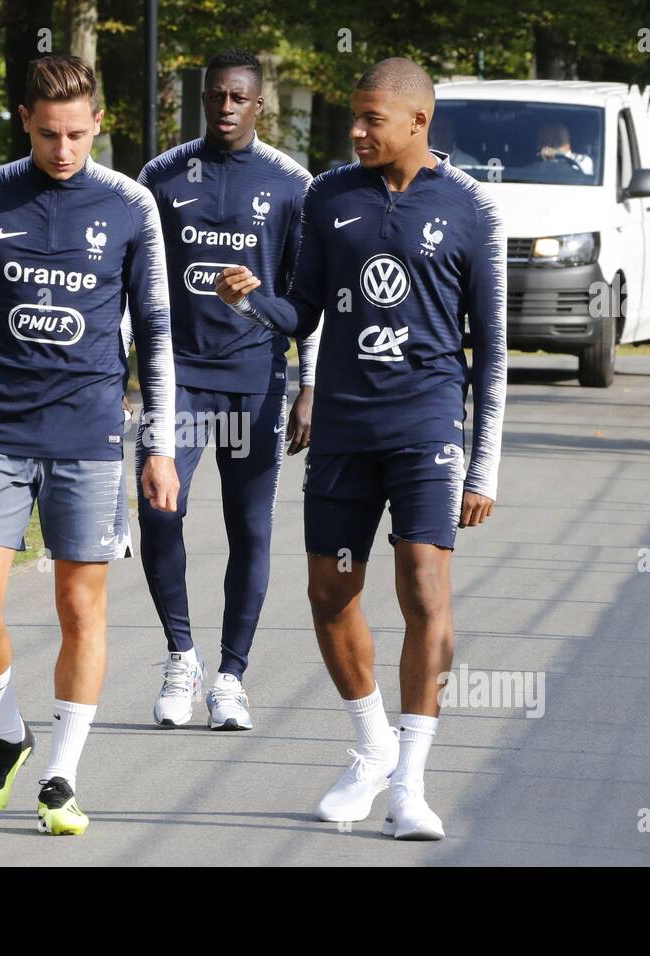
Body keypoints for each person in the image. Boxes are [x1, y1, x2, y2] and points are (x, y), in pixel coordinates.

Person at [215, 57, 506, 840]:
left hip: (427, 430)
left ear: (418, 122)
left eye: (372, 118)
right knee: (330, 593)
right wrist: (251, 305)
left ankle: (412, 782)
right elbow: (301, 311)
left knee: (423, 586)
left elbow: (496, 349)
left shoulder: (474, 209)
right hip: (344, 432)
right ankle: (373, 747)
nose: (355, 130)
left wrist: (484, 465)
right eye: (354, 116)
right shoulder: (328, 197)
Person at [0, 54, 179, 836]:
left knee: (78, 607)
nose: (65, 150)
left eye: (80, 134)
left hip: (89, 436)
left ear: (98, 124)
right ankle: (8, 732)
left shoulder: (131, 205)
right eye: (51, 133)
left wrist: (158, 444)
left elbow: (156, 332)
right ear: (25, 119)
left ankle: (62, 775)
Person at [134, 49, 321, 731]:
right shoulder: (159, 176)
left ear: (259, 104)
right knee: (160, 511)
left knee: (251, 528)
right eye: (215, 96)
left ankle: (231, 677)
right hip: (178, 378)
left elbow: (310, 296)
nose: (225, 107)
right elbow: (133, 280)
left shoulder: (292, 183)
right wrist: (122, 370)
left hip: (256, 382)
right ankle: (180, 657)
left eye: (239, 97)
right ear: (203, 99)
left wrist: (310, 386)